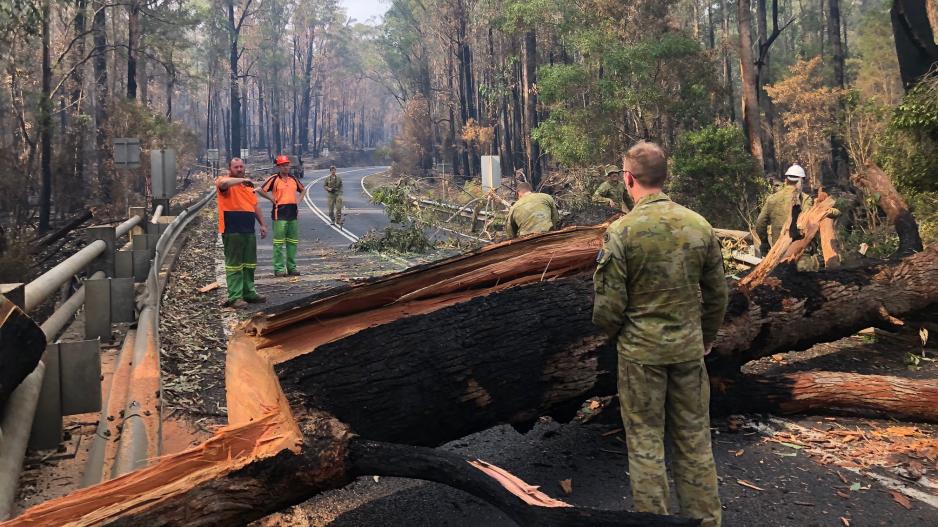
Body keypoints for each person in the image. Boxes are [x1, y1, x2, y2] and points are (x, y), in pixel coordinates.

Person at [592, 141, 727, 527]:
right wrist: (706, 336)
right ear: (665, 177)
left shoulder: (622, 232)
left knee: (646, 446)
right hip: (688, 352)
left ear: (628, 179)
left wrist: (618, 336)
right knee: (695, 443)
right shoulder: (699, 225)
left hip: (640, 357)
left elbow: (608, 308)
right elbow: (718, 293)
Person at [215, 158, 268, 308]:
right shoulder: (224, 181)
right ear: (230, 169)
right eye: (236, 167)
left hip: (248, 230)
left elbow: (255, 206)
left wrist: (263, 224)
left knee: (249, 263)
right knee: (234, 265)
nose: (239, 169)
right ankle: (235, 296)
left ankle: (249, 292)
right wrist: (241, 179)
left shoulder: (247, 187)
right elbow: (223, 184)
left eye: (241, 166)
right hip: (232, 230)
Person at [259, 155, 306, 277]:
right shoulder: (274, 179)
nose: (286, 167)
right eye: (284, 165)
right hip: (279, 214)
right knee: (279, 243)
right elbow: (260, 189)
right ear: (279, 167)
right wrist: (271, 198)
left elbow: (303, 190)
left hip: (292, 214)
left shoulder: (293, 179)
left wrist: (298, 201)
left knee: (292, 242)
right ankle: (279, 268)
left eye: (287, 165)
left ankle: (291, 267)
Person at [754, 163, 813, 255]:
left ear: (786, 180)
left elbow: (760, 224)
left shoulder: (772, 199)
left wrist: (764, 243)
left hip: (778, 252)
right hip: (800, 252)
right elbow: (810, 223)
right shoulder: (805, 199)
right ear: (801, 181)